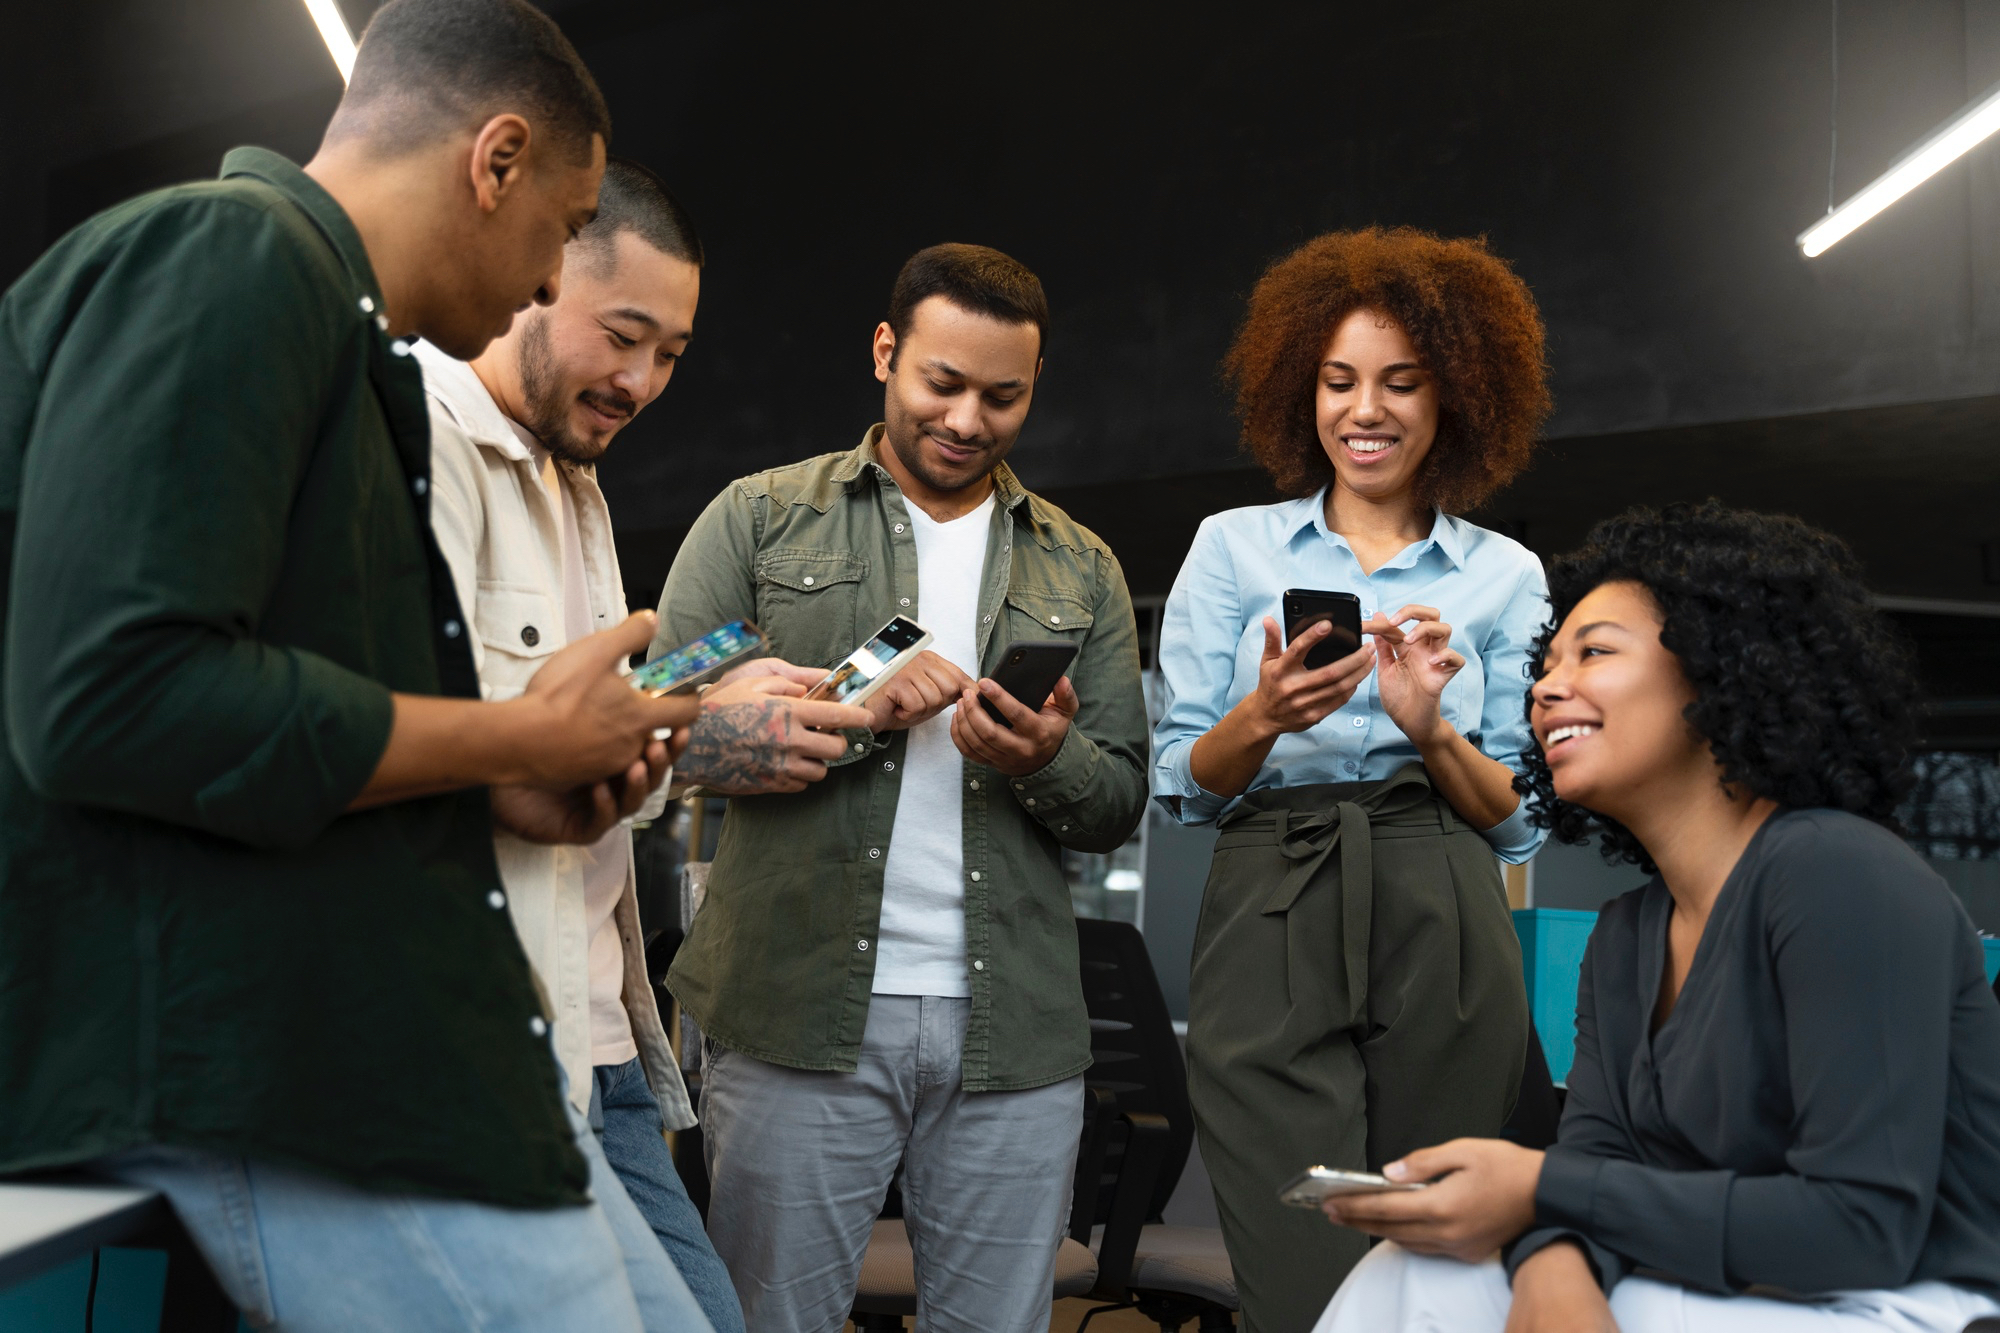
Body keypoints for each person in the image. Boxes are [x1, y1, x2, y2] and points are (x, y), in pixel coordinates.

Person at [0, 2, 721, 1328]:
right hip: (265, 1062)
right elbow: (109, 694)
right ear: (494, 160)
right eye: (565, 233)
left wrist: (493, 785)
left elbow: (245, 724)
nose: (552, 284)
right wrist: (515, 741)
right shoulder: (231, 253)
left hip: (333, 1046)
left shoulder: (341, 345)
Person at [1312, 500, 2000, 1333]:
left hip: (1896, 1300)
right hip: (1722, 1284)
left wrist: (1533, 1191)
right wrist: (1554, 1266)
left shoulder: (1841, 872)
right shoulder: (1628, 936)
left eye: (1594, 651)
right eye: (1549, 659)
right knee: (1417, 1268)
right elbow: (1598, 1167)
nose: (1545, 685)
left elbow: (1863, 1229)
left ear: (1721, 673)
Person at [654, 243, 1150, 1331]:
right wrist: (853, 712)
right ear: (885, 353)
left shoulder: (1080, 567)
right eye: (942, 382)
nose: (969, 419)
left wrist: (1040, 758)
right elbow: (652, 732)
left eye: (1002, 395)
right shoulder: (761, 521)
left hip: (1010, 1032)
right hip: (793, 1009)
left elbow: (1114, 800)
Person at [421, 157, 869, 1333]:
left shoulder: (578, 481)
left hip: (609, 1035)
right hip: (504, 1037)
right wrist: (690, 722)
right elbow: (451, 746)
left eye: (670, 353)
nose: (642, 381)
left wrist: (691, 696)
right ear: (533, 275)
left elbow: (580, 718)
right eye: (624, 336)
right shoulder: (422, 442)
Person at [1152, 226, 1555, 1331]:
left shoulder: (1502, 573)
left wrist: (1431, 730)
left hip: (1440, 885)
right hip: (1268, 884)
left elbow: (1513, 821)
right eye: (1336, 382)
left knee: (1431, 1239)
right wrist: (1263, 713)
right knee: (1299, 1259)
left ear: (1453, 399)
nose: (1362, 410)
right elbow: (1183, 780)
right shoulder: (1231, 548)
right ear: (1300, 390)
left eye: (1398, 383)